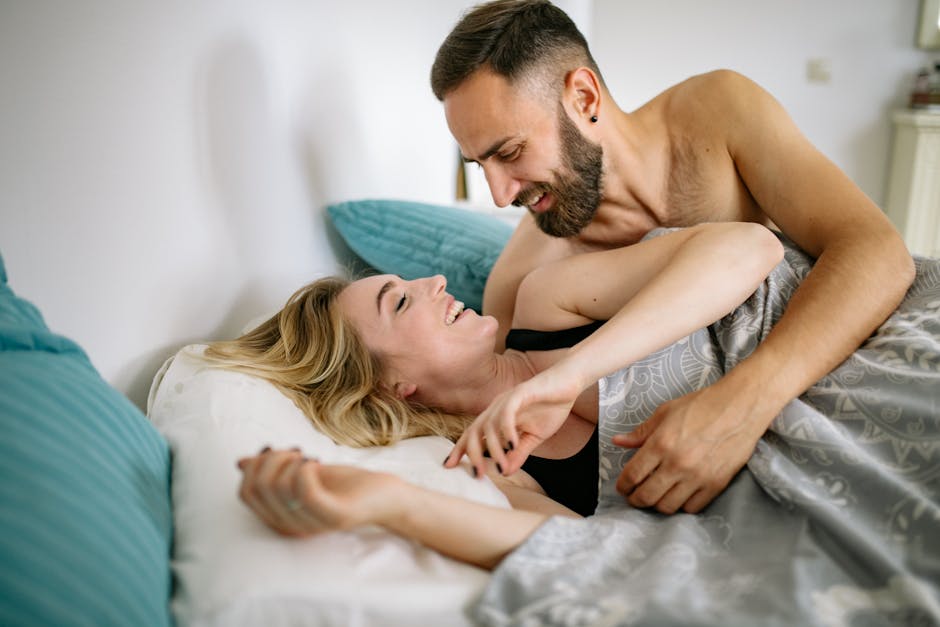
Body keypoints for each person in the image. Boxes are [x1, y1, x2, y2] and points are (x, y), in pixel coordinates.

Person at [428, 0, 916, 513]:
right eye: (479, 165)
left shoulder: (717, 114)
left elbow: (875, 250)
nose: (501, 196)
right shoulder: (523, 279)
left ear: (583, 96)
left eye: (508, 153)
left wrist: (743, 405)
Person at [208, 222, 784, 528]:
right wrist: (385, 502)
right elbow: (593, 553)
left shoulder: (550, 301)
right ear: (392, 387)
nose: (433, 280)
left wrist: (569, 374)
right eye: (401, 303)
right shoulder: (496, 473)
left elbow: (751, 245)